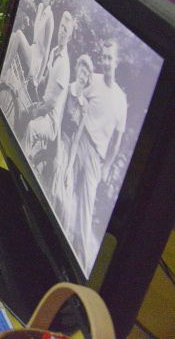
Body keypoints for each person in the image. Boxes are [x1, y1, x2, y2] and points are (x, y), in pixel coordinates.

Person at [67, 38, 128, 271]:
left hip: (96, 156)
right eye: (104, 57)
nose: (106, 62)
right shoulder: (95, 81)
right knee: (65, 192)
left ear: (117, 61)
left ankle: (80, 265)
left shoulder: (121, 100)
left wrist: (107, 167)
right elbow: (77, 90)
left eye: (110, 58)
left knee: (85, 210)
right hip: (80, 141)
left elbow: (117, 141)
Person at [22, 10, 74, 181]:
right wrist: (35, 81)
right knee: (23, 113)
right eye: (61, 27)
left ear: (70, 36)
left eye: (66, 30)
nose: (62, 31)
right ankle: (24, 154)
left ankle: (22, 171)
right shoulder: (53, 52)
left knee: (31, 127)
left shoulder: (65, 66)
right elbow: (45, 79)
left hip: (51, 120)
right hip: (43, 106)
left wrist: (37, 111)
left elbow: (52, 103)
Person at [50, 53, 93, 234]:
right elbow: (58, 120)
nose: (82, 76)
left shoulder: (85, 107)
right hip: (57, 137)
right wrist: (58, 149)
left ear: (88, 78)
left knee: (67, 191)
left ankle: (58, 232)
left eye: (86, 74)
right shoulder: (68, 89)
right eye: (81, 71)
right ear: (76, 70)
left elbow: (76, 141)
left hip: (70, 149)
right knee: (56, 177)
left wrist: (69, 167)